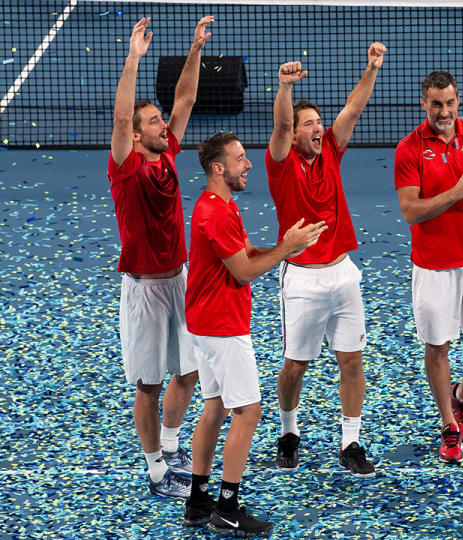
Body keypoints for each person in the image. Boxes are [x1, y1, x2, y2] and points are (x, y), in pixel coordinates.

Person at [182, 132, 324, 535]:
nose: (248, 165)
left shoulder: (220, 206)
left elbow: (246, 254)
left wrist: (288, 246)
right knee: (249, 411)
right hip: (222, 327)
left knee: (215, 409)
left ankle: (197, 501)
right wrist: (285, 249)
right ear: (218, 168)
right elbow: (243, 271)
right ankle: (227, 507)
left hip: (206, 325)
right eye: (241, 159)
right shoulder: (217, 213)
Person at [265, 43, 386, 476]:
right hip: (301, 279)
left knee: (351, 360)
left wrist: (371, 68)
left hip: (342, 273)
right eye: (310, 124)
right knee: (295, 365)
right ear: (295, 134)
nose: (319, 129)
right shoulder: (280, 161)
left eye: (319, 122)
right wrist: (284, 87)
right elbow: (280, 124)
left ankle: (350, 442)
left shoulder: (331, 150)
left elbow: (353, 108)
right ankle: (288, 431)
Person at [107, 15, 214, 499]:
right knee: (148, 385)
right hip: (146, 288)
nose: (162, 124)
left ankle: (171, 448)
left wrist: (194, 49)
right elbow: (121, 114)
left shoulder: (165, 151)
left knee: (188, 373)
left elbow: (186, 100)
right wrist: (133, 59)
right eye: (151, 121)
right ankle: (155, 470)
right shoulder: (126, 166)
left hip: (180, 280)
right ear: (134, 134)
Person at [394, 71, 463, 464]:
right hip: (434, 265)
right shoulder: (408, 149)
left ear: (458, 102)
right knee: (438, 346)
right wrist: (458, 189)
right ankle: (449, 426)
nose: (444, 111)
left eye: (450, 103)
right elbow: (411, 211)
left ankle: (462, 396)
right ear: (424, 104)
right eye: (436, 104)